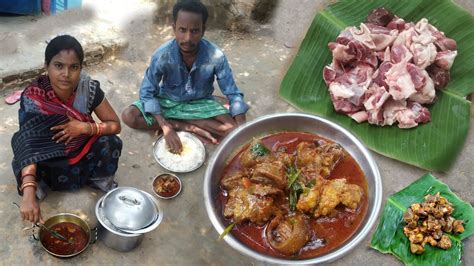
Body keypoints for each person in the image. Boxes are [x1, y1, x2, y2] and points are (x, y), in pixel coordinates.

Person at [11, 35, 122, 223]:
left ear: (81, 68)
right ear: (46, 66)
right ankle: (39, 188)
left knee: (111, 143)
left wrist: (85, 127)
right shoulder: (34, 96)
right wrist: (28, 193)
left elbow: (115, 125)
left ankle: (95, 180)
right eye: (59, 65)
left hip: (82, 150)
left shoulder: (89, 89)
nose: (66, 74)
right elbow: (29, 144)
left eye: (74, 67)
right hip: (48, 156)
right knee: (21, 160)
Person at [121, 0, 249, 154]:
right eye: (182, 30)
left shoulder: (216, 56)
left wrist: (242, 128)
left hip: (200, 101)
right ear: (174, 28)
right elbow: (147, 92)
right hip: (168, 99)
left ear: (203, 30)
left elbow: (233, 93)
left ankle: (189, 120)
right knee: (129, 116)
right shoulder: (162, 55)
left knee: (232, 130)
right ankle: (180, 124)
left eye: (195, 31)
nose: (188, 38)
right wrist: (165, 126)